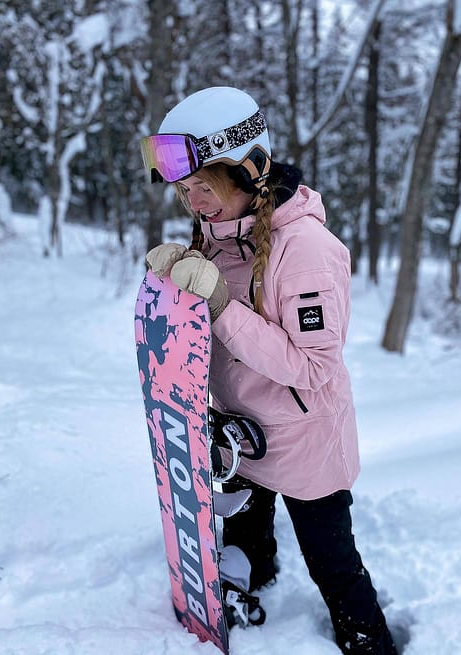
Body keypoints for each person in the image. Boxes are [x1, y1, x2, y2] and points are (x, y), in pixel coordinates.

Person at [141, 86, 397, 654]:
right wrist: (177, 289)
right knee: (247, 545)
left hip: (305, 442)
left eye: (205, 185)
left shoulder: (306, 248)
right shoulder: (216, 235)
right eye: (185, 190)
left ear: (250, 171)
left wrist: (219, 309)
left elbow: (313, 367)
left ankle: (368, 641)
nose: (194, 201)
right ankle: (253, 596)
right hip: (242, 434)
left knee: (332, 565)